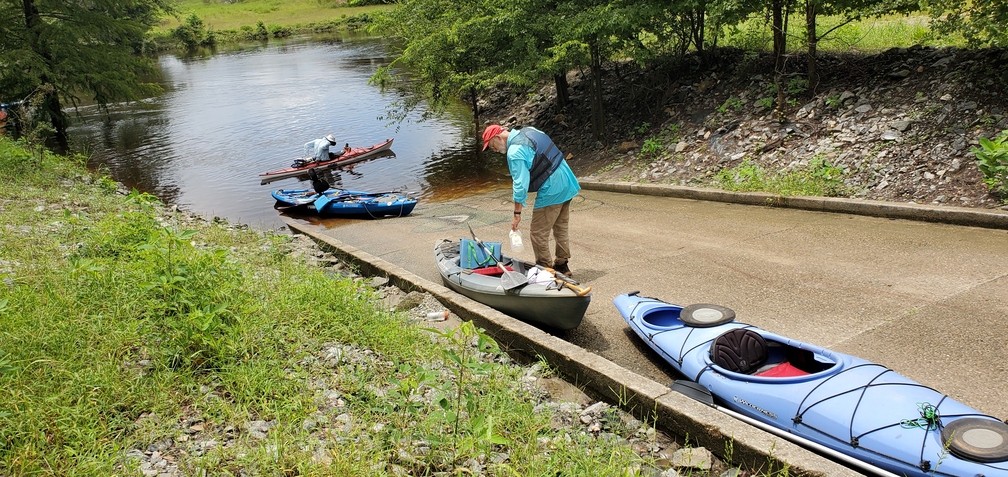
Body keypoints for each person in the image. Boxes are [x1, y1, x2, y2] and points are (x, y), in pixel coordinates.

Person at [482, 124, 580, 277]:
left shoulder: (514, 152)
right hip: (567, 180)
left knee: (538, 233)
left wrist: (517, 213)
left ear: (498, 137)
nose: (493, 150)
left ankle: (545, 271)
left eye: (491, 145)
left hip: (552, 188)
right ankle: (562, 266)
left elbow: (520, 185)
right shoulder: (530, 130)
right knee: (560, 227)